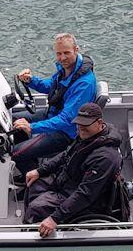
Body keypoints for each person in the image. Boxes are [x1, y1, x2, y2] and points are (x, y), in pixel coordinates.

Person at [23, 103, 122, 238]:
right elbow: (66, 155)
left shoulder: (105, 157)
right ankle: (35, 225)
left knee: (36, 208)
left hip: (83, 196)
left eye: (85, 125)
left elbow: (85, 194)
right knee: (33, 184)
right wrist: (40, 171)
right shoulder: (86, 136)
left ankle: (29, 238)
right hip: (67, 181)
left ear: (99, 123)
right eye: (78, 124)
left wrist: (55, 218)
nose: (80, 129)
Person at [12, 33, 97, 174]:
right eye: (59, 53)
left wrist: (32, 127)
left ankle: (40, 181)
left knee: (15, 153)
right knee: (13, 120)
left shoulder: (84, 84)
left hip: (66, 132)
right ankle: (33, 165)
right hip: (53, 114)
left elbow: (66, 119)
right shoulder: (67, 69)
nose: (62, 58)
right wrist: (31, 81)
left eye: (66, 53)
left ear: (76, 50)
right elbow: (53, 86)